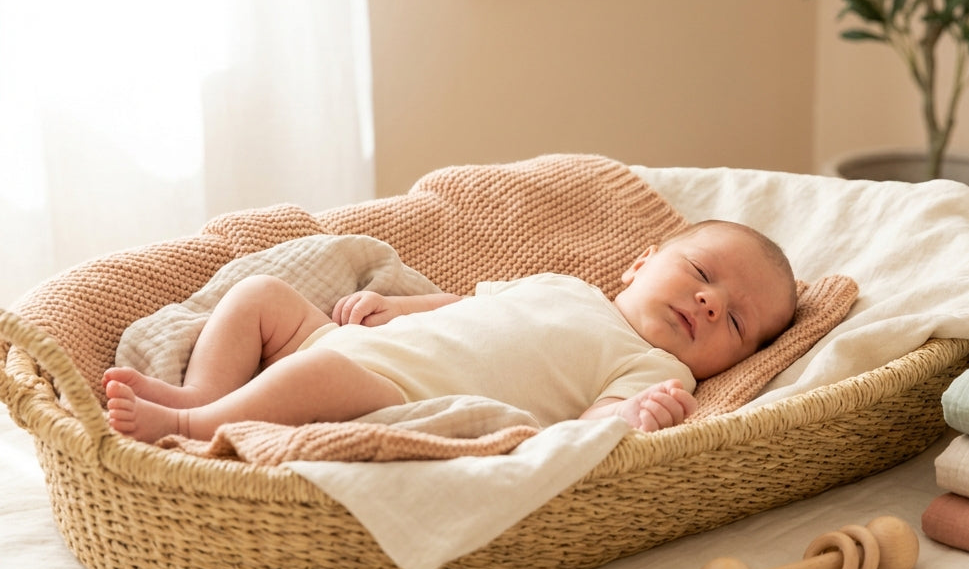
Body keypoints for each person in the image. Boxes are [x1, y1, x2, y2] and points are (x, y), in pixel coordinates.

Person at [104, 220, 798, 443]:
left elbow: (590, 430)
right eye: (701, 272)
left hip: (402, 394)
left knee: (315, 377)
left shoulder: (658, 370)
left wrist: (642, 419)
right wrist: (391, 310)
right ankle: (198, 393)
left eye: (735, 321)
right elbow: (466, 305)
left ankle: (198, 430)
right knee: (261, 295)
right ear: (640, 264)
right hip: (362, 346)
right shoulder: (565, 286)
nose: (709, 304)